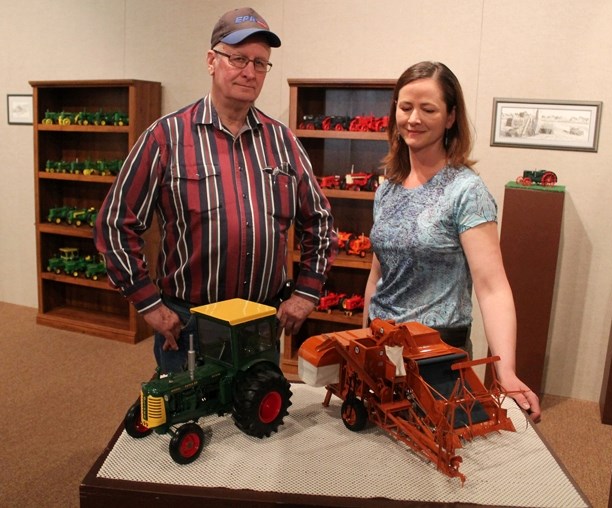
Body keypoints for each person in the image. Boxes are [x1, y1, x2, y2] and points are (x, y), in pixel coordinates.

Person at [95, 7, 338, 373]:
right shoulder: (166, 137)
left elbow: (320, 224)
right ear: (212, 60)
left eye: (260, 63)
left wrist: (306, 292)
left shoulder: (283, 141)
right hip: (189, 325)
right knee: (189, 422)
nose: (249, 71)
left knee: (258, 420)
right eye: (238, 58)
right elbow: (114, 224)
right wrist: (148, 303)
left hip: (260, 322)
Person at [363, 61, 541, 422]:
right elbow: (377, 276)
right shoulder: (388, 190)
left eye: (428, 109)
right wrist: (364, 337)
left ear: (450, 117)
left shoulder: (467, 191)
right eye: (405, 106)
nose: (414, 118)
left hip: (437, 355)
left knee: (438, 458)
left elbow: (493, 288)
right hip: (383, 348)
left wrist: (504, 371)